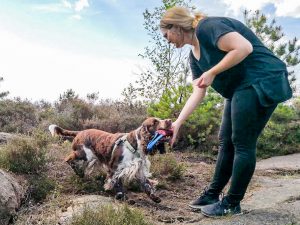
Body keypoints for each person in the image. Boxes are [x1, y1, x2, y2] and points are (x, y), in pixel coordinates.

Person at [160, 6, 292, 218]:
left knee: (242, 142)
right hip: (240, 87)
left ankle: (232, 203)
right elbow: (198, 92)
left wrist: (212, 71)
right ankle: (212, 194)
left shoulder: (207, 27)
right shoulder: (194, 57)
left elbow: (244, 48)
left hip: (262, 78)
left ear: (175, 26)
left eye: (166, 35)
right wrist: (178, 123)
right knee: (225, 140)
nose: (167, 40)